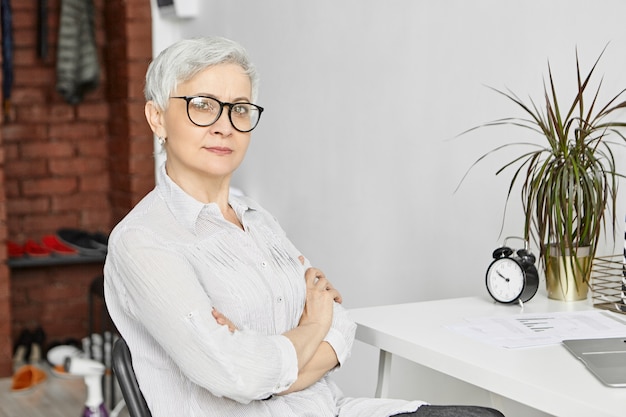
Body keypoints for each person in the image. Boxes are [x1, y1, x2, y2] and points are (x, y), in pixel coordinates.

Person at [103, 36, 504, 417]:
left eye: (239, 108)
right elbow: (235, 373)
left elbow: (340, 324)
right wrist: (311, 325)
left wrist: (264, 359)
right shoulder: (143, 241)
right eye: (203, 105)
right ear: (157, 118)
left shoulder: (256, 218)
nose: (225, 125)